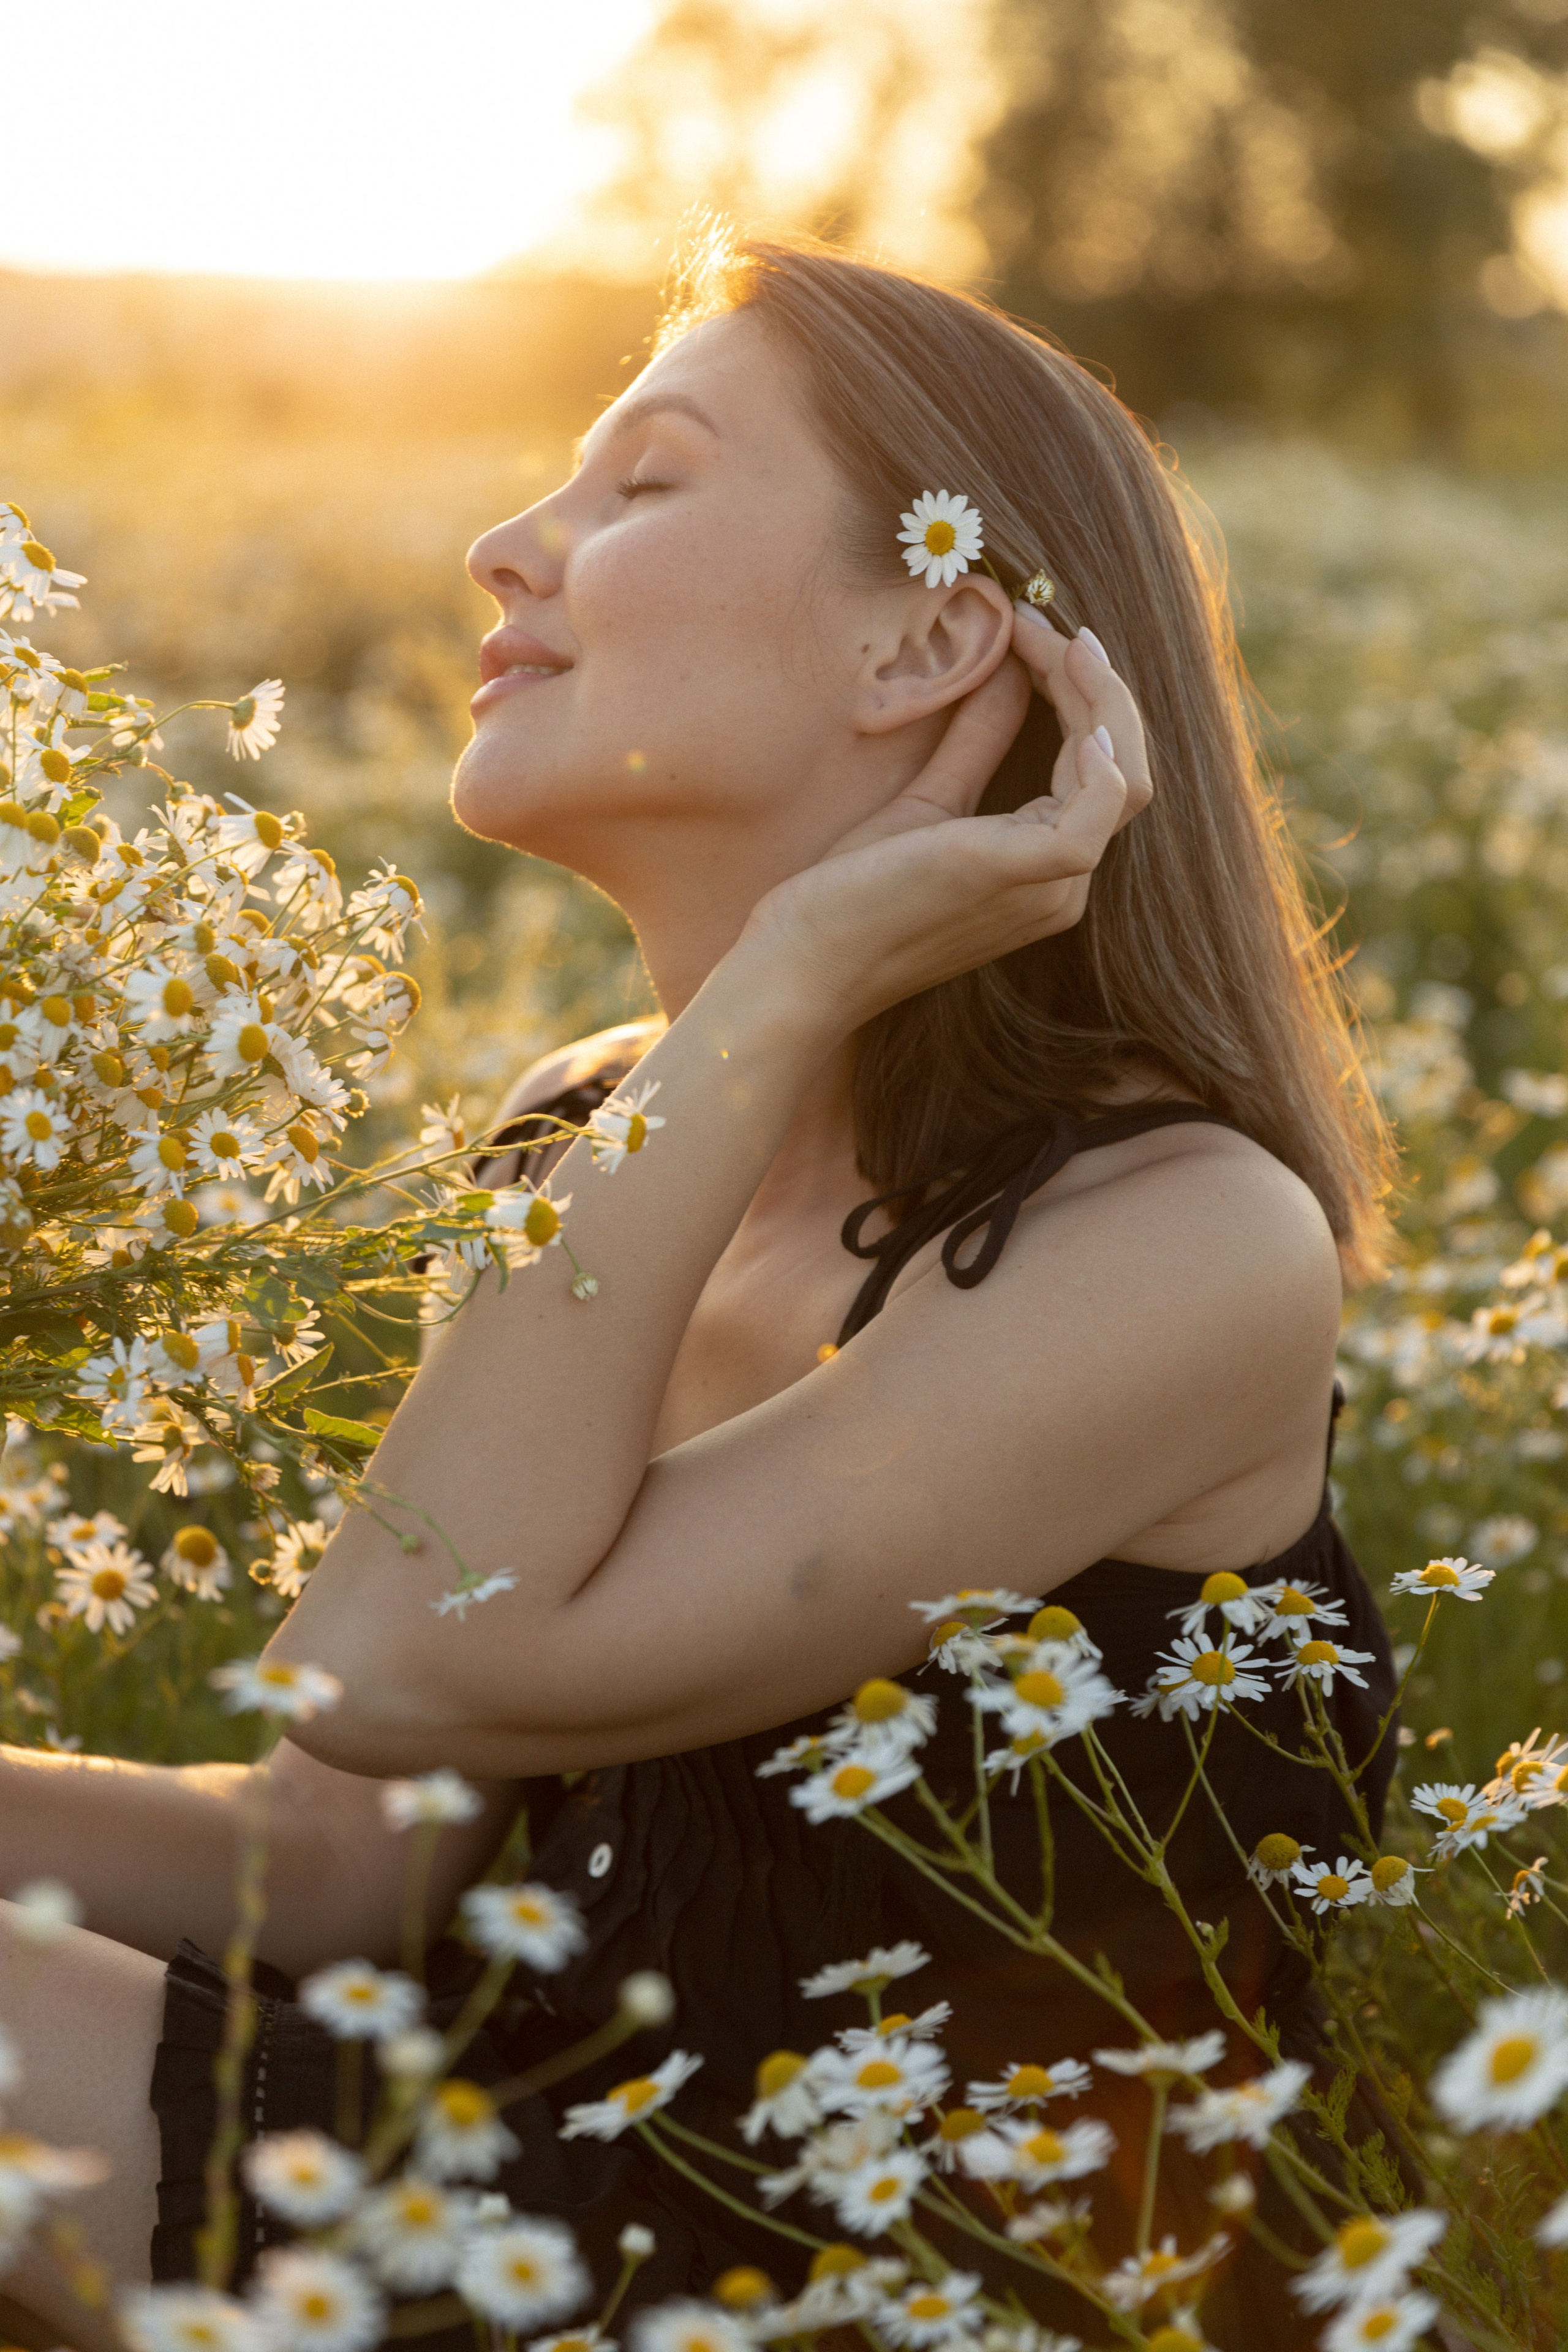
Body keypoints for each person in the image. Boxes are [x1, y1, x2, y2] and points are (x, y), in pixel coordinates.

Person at [0, 233, 1398, 2349]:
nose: (502, 548)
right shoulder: (590, 1128)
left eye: (640, 484)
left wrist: (800, 971)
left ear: (926, 636)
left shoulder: (1182, 1238)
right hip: (523, 2157)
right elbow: (342, 1845)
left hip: (916, 2288)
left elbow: (385, 1666)